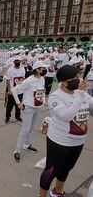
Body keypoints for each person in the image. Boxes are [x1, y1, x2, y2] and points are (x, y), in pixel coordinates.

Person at [39, 65, 93, 197]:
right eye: (75, 78)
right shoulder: (55, 97)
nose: (79, 80)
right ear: (64, 82)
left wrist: (81, 95)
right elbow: (66, 116)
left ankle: (57, 191)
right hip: (59, 141)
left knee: (67, 168)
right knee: (51, 170)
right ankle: (42, 195)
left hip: (78, 141)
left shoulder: (82, 94)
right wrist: (79, 96)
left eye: (79, 77)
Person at [12, 61, 47, 162]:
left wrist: (43, 101)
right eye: (42, 69)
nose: (44, 70)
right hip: (29, 108)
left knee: (31, 128)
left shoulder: (42, 79)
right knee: (25, 129)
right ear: (36, 69)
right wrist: (18, 103)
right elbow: (14, 90)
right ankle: (17, 151)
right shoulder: (28, 81)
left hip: (38, 107)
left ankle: (26, 144)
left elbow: (42, 91)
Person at [5, 56, 25, 123]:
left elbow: (23, 79)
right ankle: (7, 117)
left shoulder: (23, 69)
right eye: (16, 61)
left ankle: (17, 116)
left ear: (20, 61)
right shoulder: (10, 70)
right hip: (13, 91)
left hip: (20, 91)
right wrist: (9, 90)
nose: (17, 62)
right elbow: (8, 80)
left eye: (18, 61)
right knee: (9, 105)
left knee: (18, 104)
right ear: (13, 62)